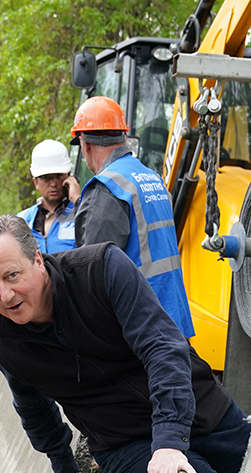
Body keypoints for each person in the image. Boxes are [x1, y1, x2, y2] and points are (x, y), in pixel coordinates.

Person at [0, 215, 250, 473]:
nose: (5, 296)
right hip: (126, 445)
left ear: (37, 259)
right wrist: (63, 466)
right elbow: (32, 408)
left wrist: (169, 440)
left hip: (203, 411)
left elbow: (161, 348)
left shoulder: (100, 268)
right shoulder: (3, 342)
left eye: (12, 276)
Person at [70, 96, 194, 338]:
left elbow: (93, 275)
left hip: (141, 329)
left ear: (84, 143)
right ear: (123, 137)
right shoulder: (152, 179)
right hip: (172, 318)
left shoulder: (106, 188)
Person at [17, 139, 81, 254]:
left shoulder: (82, 212)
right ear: (35, 182)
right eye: (46, 177)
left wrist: (78, 201)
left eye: (59, 176)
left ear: (69, 177)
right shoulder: (22, 221)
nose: (53, 183)